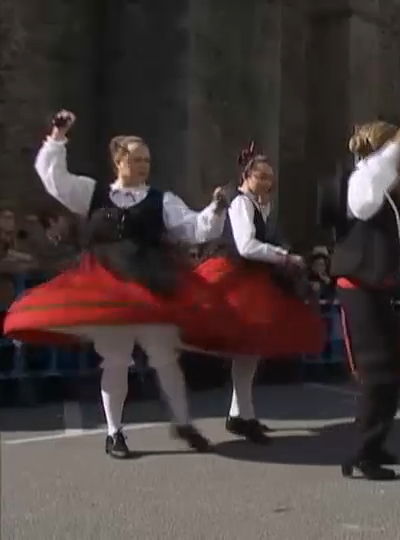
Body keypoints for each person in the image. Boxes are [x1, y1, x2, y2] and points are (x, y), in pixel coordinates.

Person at [3, 110, 233, 458]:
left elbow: (194, 228)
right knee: (114, 360)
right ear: (119, 161)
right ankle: (115, 433)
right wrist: (58, 136)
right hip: (107, 286)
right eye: (137, 159)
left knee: (164, 356)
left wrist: (215, 207)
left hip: (151, 283)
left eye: (147, 160)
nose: (143, 165)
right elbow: (55, 179)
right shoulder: (92, 193)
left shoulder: (161, 200)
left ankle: (184, 422)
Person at [182, 142, 325, 444]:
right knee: (246, 349)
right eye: (261, 176)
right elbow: (246, 245)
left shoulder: (262, 205)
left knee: (251, 351)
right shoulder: (241, 203)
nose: (268, 182)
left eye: (270, 177)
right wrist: (283, 256)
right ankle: (241, 415)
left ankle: (241, 414)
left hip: (254, 276)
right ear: (247, 176)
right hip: (235, 273)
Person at [326, 102, 400, 481]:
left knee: (392, 369)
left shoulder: (386, 191)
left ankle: (374, 442)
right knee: (377, 372)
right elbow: (364, 197)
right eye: (394, 150)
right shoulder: (361, 181)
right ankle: (363, 453)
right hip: (359, 290)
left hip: (377, 288)